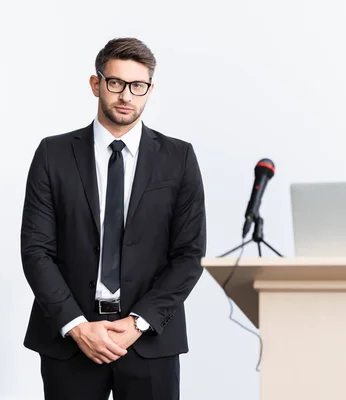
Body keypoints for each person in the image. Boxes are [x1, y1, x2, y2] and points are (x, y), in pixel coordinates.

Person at [19, 37, 206, 400]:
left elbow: (190, 254)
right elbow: (36, 250)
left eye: (138, 86)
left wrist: (138, 323)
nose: (126, 96)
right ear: (96, 84)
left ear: (150, 89)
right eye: (116, 83)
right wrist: (76, 326)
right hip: (71, 340)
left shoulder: (179, 158)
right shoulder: (52, 154)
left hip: (149, 340)